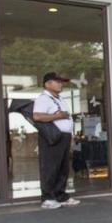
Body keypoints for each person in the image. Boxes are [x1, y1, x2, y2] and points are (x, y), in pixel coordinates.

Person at [33, 72, 80, 209]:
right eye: (57, 81)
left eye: (61, 82)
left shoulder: (59, 98)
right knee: (50, 167)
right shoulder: (43, 99)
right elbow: (37, 116)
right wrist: (57, 116)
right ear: (47, 84)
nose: (61, 84)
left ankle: (60, 195)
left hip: (64, 137)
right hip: (52, 137)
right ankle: (47, 198)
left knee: (63, 168)